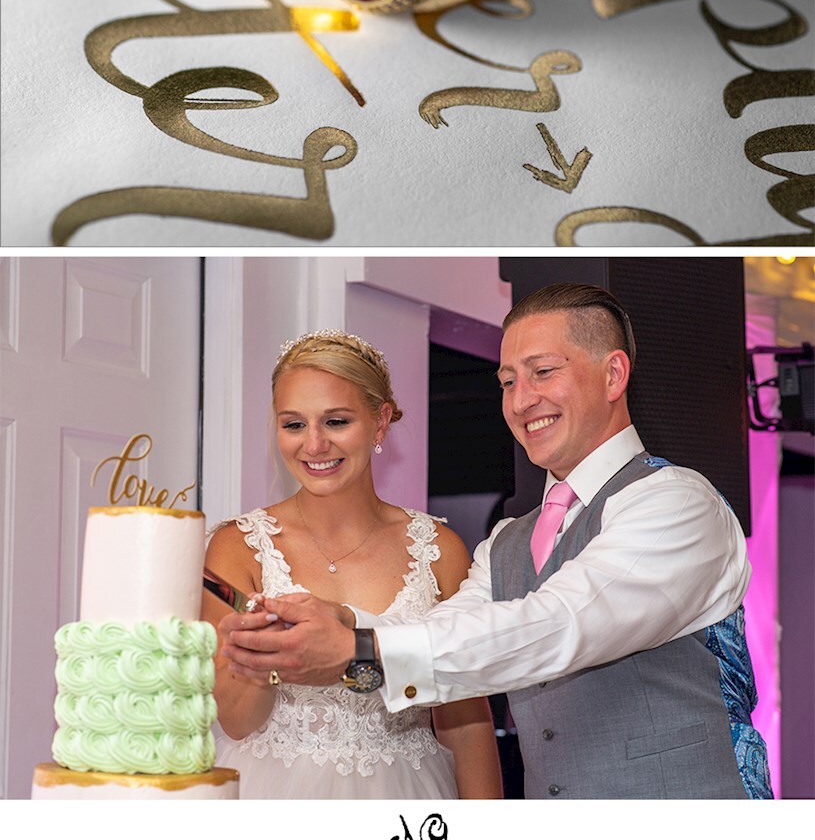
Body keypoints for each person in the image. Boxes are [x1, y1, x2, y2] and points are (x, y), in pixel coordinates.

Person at [222, 285, 772, 801]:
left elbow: (559, 625)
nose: (521, 399)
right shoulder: (509, 540)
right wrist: (340, 622)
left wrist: (356, 650)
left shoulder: (677, 502)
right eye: (508, 381)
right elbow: (442, 632)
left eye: (543, 372)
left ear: (613, 374)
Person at [204, 329, 502, 800]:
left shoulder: (440, 550)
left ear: (380, 422)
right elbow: (238, 722)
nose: (315, 445)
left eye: (337, 421)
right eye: (294, 424)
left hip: (408, 796)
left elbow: (466, 723)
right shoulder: (237, 547)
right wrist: (265, 657)